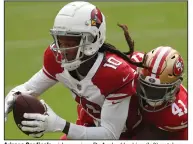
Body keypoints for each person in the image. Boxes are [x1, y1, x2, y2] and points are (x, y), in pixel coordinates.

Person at [5, 1, 142, 139]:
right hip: (92, 124)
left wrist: (59, 124)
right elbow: (29, 88)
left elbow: (109, 135)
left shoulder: (114, 73)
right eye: (60, 41)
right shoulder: (55, 58)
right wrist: (12, 98)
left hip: (136, 131)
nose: (62, 50)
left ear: (93, 39)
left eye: (70, 43)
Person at [129, 46, 188, 140]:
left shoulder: (179, 113)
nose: (151, 95)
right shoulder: (132, 64)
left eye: (158, 90)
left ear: (176, 85)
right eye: (147, 87)